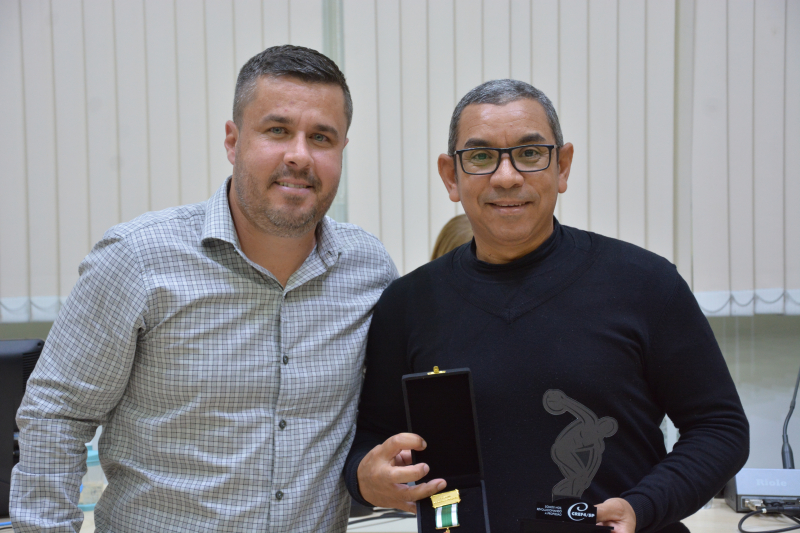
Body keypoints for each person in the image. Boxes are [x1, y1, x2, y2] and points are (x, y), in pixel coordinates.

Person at [11, 45, 397, 533]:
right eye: (277, 131)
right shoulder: (137, 260)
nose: (299, 155)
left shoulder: (369, 270)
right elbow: (57, 418)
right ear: (233, 142)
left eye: (321, 137)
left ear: (341, 150)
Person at [344, 79, 749, 533]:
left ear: (563, 166)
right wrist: (365, 478)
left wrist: (644, 506)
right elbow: (369, 440)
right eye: (481, 157)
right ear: (450, 176)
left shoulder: (646, 284)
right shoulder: (407, 304)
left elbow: (720, 427)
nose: (506, 177)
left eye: (530, 153)